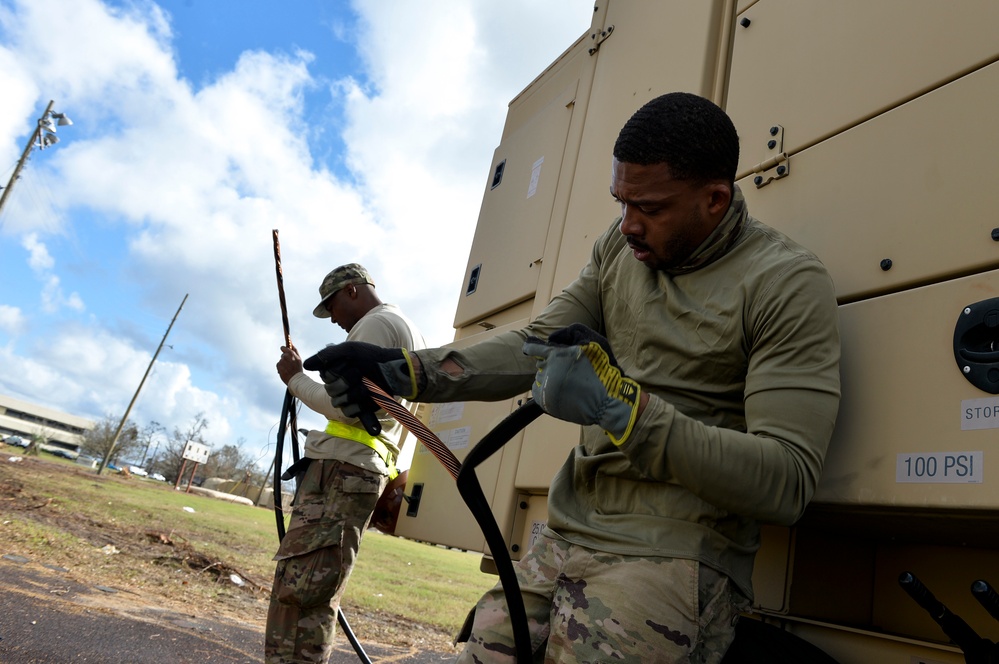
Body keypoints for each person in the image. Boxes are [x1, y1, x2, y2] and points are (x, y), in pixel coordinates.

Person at [303, 93, 841, 662]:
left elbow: (787, 482)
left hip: (676, 552)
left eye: (651, 209)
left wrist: (625, 412)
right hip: (566, 533)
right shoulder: (619, 250)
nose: (629, 225)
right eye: (621, 202)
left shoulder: (785, 283)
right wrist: (405, 373)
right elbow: (536, 344)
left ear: (714, 199)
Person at [265, 263, 426, 664]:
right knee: (314, 593)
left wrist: (295, 379)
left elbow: (348, 410)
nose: (333, 319)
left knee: (299, 593)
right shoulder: (403, 325)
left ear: (353, 290)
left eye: (332, 306)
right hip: (354, 472)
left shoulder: (375, 326)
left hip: (343, 473)